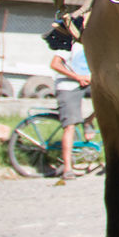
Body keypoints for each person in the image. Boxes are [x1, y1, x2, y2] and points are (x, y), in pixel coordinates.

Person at [44, 19, 91, 183]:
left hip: (86, 84)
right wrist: (77, 77)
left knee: (114, 101)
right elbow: (55, 64)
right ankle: (67, 168)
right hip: (68, 86)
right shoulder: (69, 43)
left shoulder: (91, 42)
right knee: (70, 126)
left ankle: (88, 122)